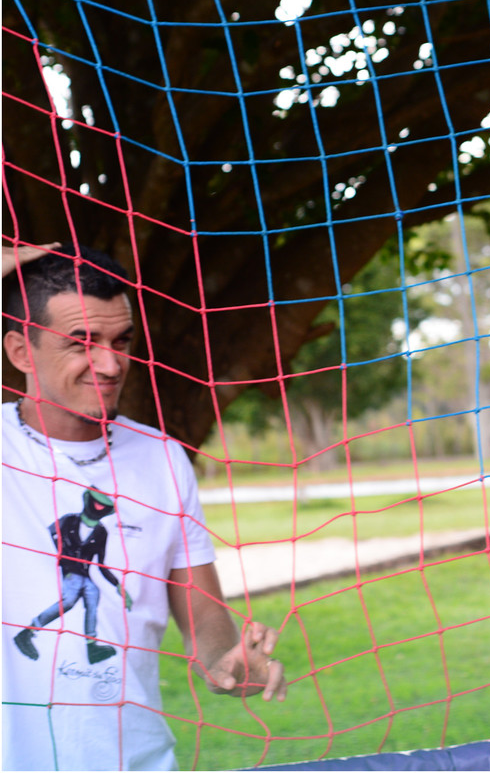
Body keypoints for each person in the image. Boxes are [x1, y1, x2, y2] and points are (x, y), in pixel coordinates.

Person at [2, 242, 288, 771]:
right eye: (82, 343)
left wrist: (228, 662)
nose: (109, 364)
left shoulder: (162, 457)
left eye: (121, 340)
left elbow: (202, 612)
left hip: (135, 761)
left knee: (83, 604)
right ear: (21, 352)